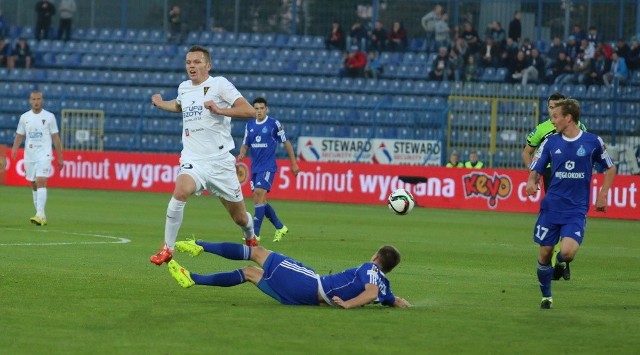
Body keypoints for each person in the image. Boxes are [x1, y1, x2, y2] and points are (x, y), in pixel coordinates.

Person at [149, 45, 258, 266]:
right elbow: (180, 106)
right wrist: (161, 103)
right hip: (193, 160)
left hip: (220, 163)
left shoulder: (220, 84)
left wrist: (220, 110)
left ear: (208, 65)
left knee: (240, 218)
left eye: (197, 62)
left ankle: (251, 236)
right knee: (180, 192)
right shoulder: (184, 88)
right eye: (189, 62)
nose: (192, 66)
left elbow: (249, 111)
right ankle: (167, 249)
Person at [525, 98, 616, 309]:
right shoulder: (550, 142)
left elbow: (609, 168)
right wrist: (531, 181)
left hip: (576, 209)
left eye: (556, 116)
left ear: (568, 117)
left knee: (567, 253)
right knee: (544, 253)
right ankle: (546, 297)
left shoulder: (592, 142)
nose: (553, 120)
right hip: (551, 207)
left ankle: (560, 262)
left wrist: (603, 194)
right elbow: (536, 167)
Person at [167, 238, 412, 308]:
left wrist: (348, 304)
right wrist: (403, 303)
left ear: (376, 259)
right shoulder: (385, 286)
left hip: (311, 284)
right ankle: (193, 278)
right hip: (305, 298)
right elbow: (393, 300)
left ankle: (200, 245)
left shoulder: (370, 269)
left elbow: (369, 294)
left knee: (258, 253)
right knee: (251, 273)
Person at [237, 97, 299, 242]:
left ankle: (255, 235)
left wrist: (294, 163)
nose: (259, 111)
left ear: (266, 109)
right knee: (261, 200)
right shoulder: (250, 125)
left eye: (261, 108)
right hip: (255, 168)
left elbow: (286, 142)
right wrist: (242, 153)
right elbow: (246, 143)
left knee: (258, 194)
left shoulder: (273, 124)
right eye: (256, 108)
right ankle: (280, 227)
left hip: (268, 167)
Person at [10, 90, 64, 226]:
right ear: (30, 101)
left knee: (41, 181)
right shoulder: (24, 117)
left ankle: (39, 215)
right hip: (30, 155)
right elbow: (19, 135)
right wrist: (15, 149)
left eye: (38, 99)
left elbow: (56, 137)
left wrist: (60, 156)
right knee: (33, 184)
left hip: (44, 154)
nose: (36, 102)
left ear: (42, 100)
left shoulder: (49, 117)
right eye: (33, 99)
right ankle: (42, 215)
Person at [522, 92, 587, 193]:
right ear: (547, 108)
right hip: (551, 171)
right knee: (555, 205)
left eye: (557, 106)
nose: (554, 110)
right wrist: (533, 175)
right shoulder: (541, 129)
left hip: (573, 169)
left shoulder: (578, 126)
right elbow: (526, 152)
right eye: (551, 107)